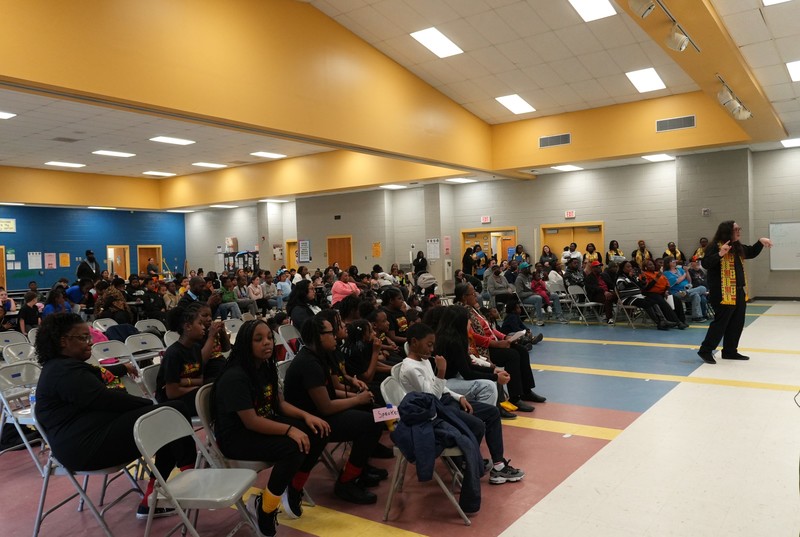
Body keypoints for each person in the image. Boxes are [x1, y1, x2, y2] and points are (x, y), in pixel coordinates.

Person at [33, 313, 195, 519]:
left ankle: (155, 496)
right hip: (83, 448)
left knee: (165, 418)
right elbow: (107, 400)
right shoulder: (64, 372)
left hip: (86, 438)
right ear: (63, 341)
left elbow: (99, 376)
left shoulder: (63, 367)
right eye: (83, 338)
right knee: (170, 413)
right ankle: (186, 481)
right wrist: (149, 404)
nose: (90, 342)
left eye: (89, 337)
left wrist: (123, 370)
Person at [212, 320, 329, 536]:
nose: (267, 343)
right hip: (238, 438)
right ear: (246, 344)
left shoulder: (264, 367)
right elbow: (251, 422)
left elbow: (279, 404)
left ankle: (293, 488)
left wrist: (307, 416)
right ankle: (265, 508)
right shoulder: (235, 377)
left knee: (317, 431)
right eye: (258, 339)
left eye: (269, 338)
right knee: (292, 447)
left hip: (261, 425)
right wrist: (290, 430)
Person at [399, 322, 524, 485]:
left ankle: (498, 465)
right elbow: (431, 398)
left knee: (492, 413)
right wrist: (441, 372)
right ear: (414, 342)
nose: (432, 349)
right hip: (434, 413)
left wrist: (459, 397)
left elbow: (440, 388)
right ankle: (466, 462)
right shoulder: (410, 368)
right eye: (429, 345)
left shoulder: (423, 360)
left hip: (445, 403)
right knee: (477, 425)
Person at [283, 313, 384, 504]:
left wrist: (359, 397)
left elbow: (331, 392)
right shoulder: (309, 364)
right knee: (373, 421)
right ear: (318, 337)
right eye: (331, 333)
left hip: (321, 414)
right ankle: (346, 482)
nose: (335, 335)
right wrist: (357, 399)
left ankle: (360, 468)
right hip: (314, 422)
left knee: (375, 411)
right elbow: (326, 407)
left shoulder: (320, 356)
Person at [455, 284, 545, 408]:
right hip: (482, 348)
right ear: (464, 297)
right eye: (473, 293)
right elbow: (472, 336)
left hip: (492, 342)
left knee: (522, 351)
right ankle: (515, 397)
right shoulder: (461, 311)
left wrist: (504, 337)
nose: (476, 295)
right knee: (512, 355)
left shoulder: (474, 309)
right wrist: (496, 343)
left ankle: (526, 391)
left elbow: (490, 328)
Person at [697, 221, 772, 364]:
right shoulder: (715, 246)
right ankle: (705, 350)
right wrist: (720, 253)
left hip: (738, 291)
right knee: (721, 323)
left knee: (737, 322)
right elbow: (706, 264)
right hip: (722, 292)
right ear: (727, 231)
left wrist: (760, 242)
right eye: (736, 229)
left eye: (739, 229)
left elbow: (751, 252)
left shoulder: (736, 246)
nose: (739, 231)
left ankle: (730, 351)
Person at [156, 303, 225, 415]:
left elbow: (200, 379)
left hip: (190, 392)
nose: (204, 327)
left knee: (222, 385)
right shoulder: (174, 354)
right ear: (188, 327)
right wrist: (199, 389)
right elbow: (172, 392)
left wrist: (184, 382)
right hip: (173, 403)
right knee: (219, 396)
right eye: (200, 323)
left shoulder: (196, 348)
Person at [615, 261, 678, 330]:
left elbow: (642, 286)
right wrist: (628, 278)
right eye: (628, 267)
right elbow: (620, 287)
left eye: (631, 267)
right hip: (628, 298)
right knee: (646, 303)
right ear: (623, 268)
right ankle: (659, 323)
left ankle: (663, 320)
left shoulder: (633, 277)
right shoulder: (621, 277)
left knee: (653, 301)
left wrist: (643, 277)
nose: (630, 268)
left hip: (638, 296)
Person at [663, 256, 708, 322]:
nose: (674, 261)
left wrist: (686, 271)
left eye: (674, 260)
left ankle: (696, 317)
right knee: (701, 289)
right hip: (676, 293)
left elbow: (689, 280)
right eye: (672, 261)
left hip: (686, 291)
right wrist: (684, 275)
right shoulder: (666, 273)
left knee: (697, 294)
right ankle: (686, 293)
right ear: (668, 263)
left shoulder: (680, 270)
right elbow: (677, 281)